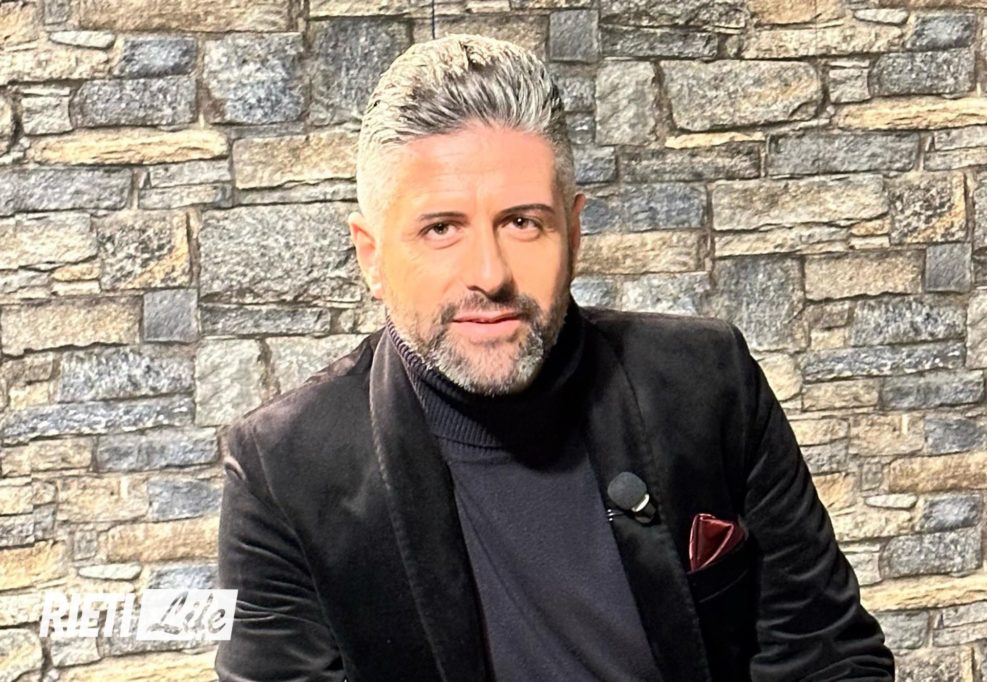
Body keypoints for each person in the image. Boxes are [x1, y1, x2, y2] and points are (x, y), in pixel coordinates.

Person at [215, 34, 895, 682]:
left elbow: (830, 657)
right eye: (442, 228)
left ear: (573, 230)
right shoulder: (280, 470)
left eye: (522, 222)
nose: (489, 273)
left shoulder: (708, 382)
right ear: (372, 256)